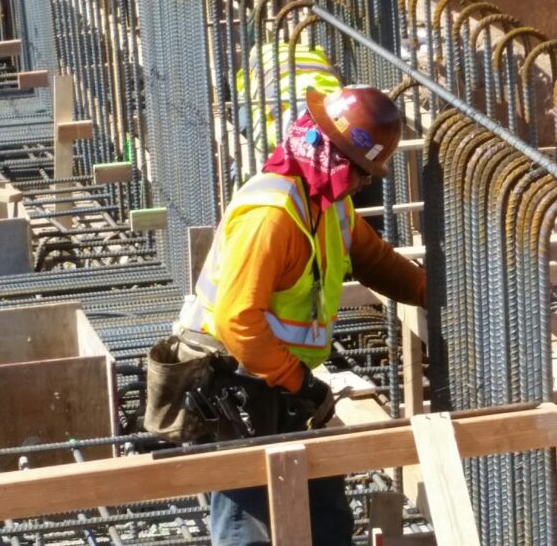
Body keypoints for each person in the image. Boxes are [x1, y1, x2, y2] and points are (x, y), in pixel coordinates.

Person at [173, 85, 427, 545]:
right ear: (336, 159)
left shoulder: (329, 204)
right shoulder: (271, 216)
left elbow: (375, 261)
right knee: (247, 523)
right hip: (231, 381)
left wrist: (433, 292)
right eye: (362, 172)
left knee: (325, 514)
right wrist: (299, 383)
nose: (364, 184)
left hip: (278, 376)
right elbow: (237, 321)